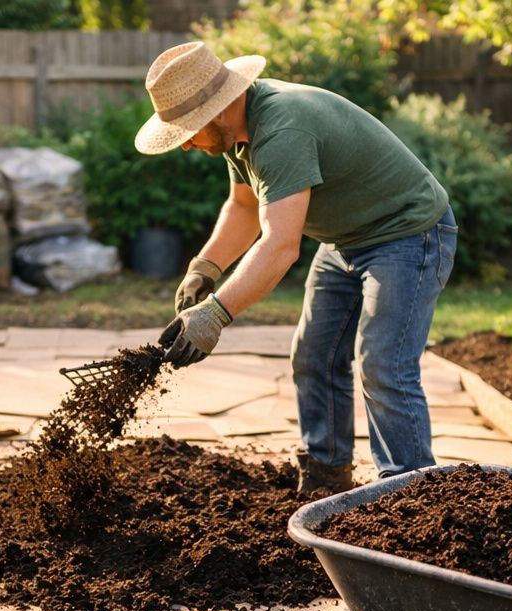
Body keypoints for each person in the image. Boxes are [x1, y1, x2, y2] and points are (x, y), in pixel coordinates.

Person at [134, 41, 458, 494]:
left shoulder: (281, 128)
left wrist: (215, 313)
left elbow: (281, 246)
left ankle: (407, 492)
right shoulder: (239, 131)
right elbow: (244, 206)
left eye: (188, 131)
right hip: (345, 240)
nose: (186, 145)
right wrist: (205, 266)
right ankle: (326, 478)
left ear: (218, 110)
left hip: (407, 233)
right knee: (314, 356)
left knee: (383, 362)